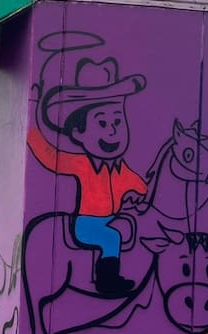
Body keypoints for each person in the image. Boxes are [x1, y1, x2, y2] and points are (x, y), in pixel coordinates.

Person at [27, 56, 147, 297]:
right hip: (87, 223)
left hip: (111, 217)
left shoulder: (120, 168)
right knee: (111, 238)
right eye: (102, 123)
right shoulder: (81, 164)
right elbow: (52, 157)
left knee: (122, 230)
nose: (112, 130)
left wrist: (141, 196)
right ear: (78, 133)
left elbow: (139, 186)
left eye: (117, 121)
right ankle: (107, 282)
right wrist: (32, 133)